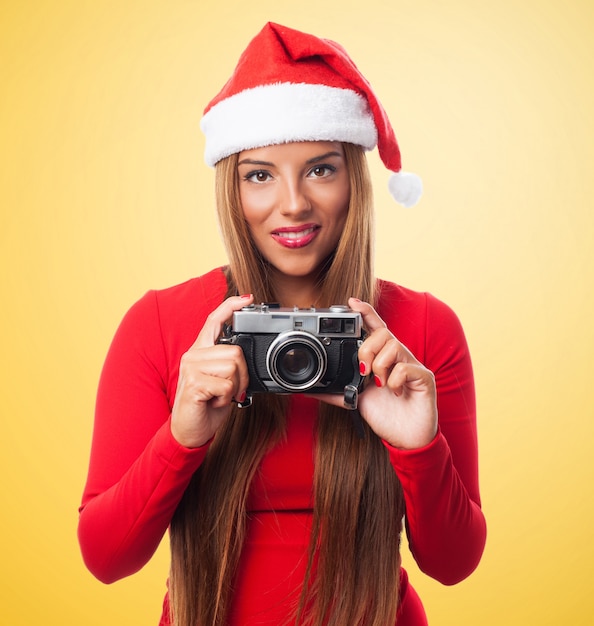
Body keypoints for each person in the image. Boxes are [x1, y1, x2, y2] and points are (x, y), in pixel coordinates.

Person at [78, 22, 486, 626]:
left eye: (321, 169)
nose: (292, 203)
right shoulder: (162, 326)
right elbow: (106, 558)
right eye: (260, 175)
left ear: (354, 179)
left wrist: (418, 446)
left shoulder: (421, 331)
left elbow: (453, 564)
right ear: (231, 188)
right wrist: (182, 438)